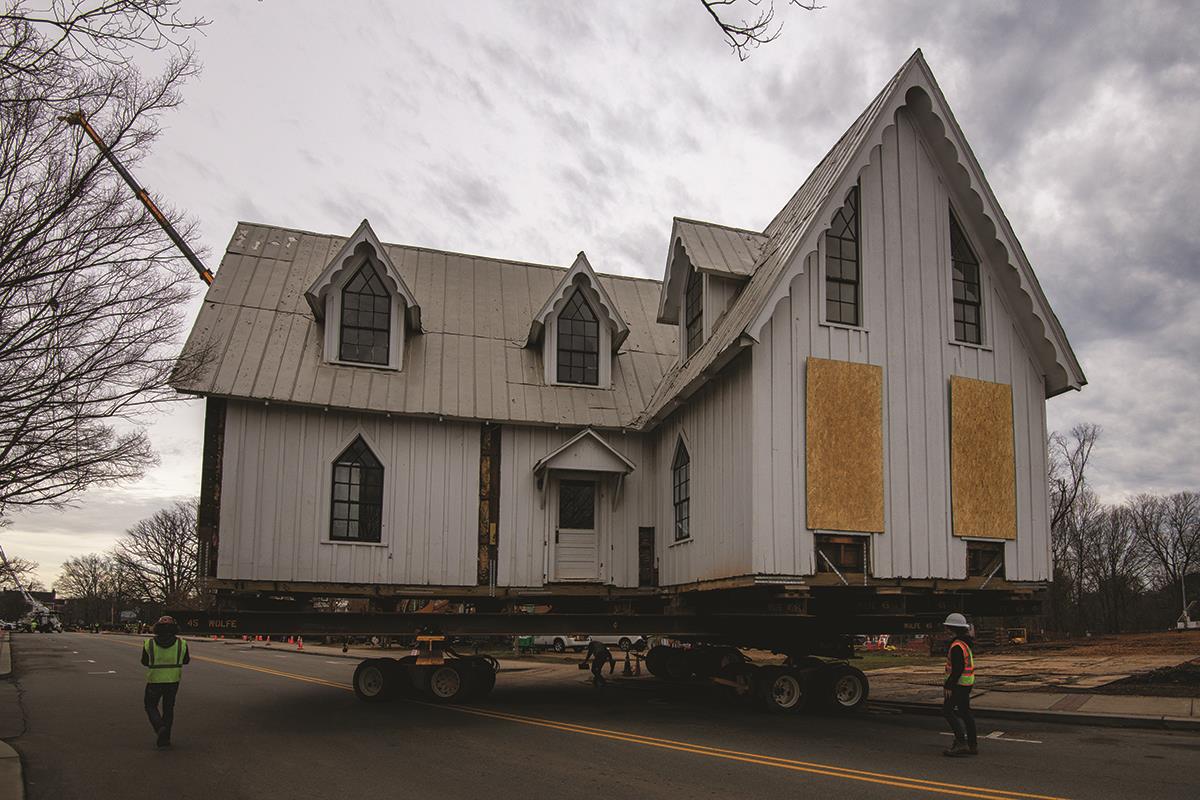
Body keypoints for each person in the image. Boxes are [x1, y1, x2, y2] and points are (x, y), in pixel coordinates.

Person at [141, 615, 190, 748]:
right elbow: (186, 661)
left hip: (155, 680)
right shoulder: (182, 643)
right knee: (168, 709)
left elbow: (144, 662)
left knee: (150, 706)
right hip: (173, 680)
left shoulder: (149, 643)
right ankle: (165, 738)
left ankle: (159, 727)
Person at [941, 612, 977, 757]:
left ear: (952, 629)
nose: (946, 631)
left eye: (947, 628)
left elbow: (957, 669)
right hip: (966, 683)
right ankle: (972, 745)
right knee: (965, 712)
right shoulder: (965, 643)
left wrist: (949, 685)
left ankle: (961, 742)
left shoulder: (957, 646)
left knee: (947, 710)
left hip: (958, 685)